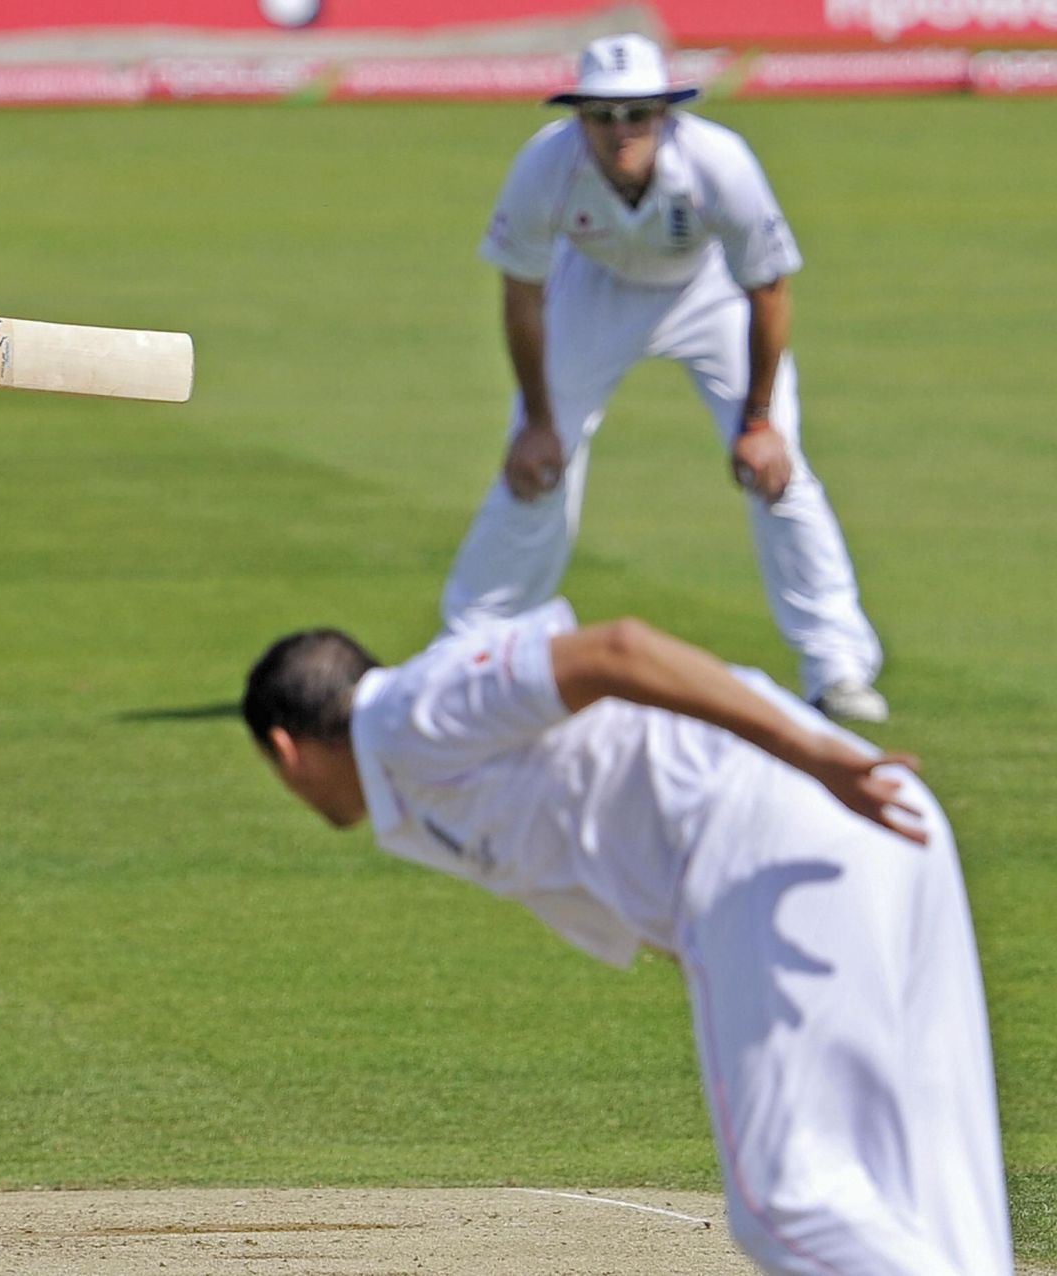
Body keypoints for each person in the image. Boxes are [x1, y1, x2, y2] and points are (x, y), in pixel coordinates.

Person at [242, 601, 1012, 1275]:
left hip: (783, 822)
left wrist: (809, 753)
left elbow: (616, 650)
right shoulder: (408, 770)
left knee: (786, 1204)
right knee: (931, 1185)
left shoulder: (407, 713)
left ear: (285, 748)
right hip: (856, 819)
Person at [442, 33, 889, 724]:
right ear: (579, 117)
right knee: (534, 467)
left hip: (707, 294)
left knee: (779, 473)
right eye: (603, 115)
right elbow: (521, 291)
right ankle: (469, 654)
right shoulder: (545, 164)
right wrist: (537, 420)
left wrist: (761, 422)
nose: (621, 132)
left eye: (638, 114)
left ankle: (837, 667)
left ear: (666, 114)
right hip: (592, 290)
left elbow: (768, 289)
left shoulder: (719, 162)